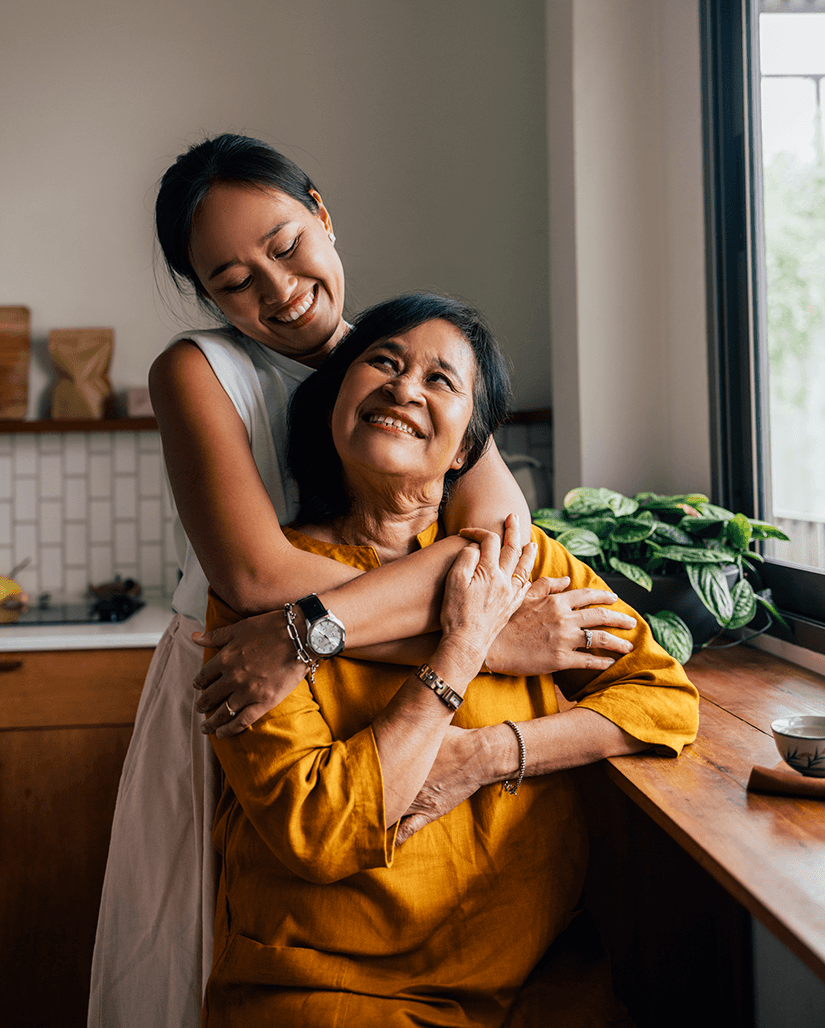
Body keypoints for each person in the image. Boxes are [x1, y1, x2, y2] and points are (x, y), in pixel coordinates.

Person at [88, 136, 636, 1028]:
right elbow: (256, 570)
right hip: (251, 691)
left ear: (322, 211)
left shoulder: (417, 356)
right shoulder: (194, 370)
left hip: (356, 674)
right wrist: (481, 636)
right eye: (232, 279)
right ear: (204, 297)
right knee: (215, 950)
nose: (276, 287)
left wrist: (324, 631)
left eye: (284, 243)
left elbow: (499, 548)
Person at [202, 293, 700, 1027]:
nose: (405, 387)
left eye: (441, 380)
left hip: (539, 977)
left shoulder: (519, 563)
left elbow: (661, 699)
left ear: (468, 447)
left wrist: (489, 756)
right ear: (335, 402)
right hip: (329, 990)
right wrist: (467, 647)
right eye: (383, 362)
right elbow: (323, 829)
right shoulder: (266, 598)